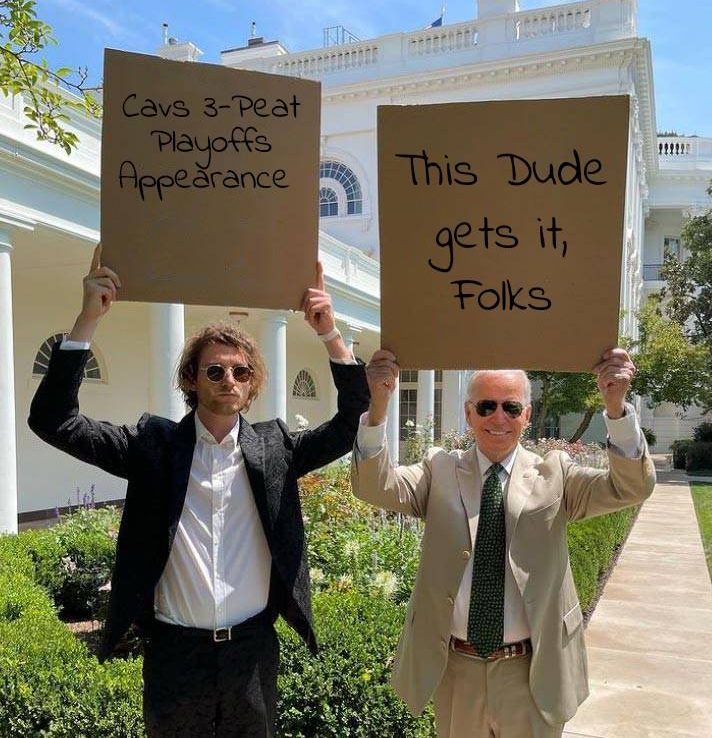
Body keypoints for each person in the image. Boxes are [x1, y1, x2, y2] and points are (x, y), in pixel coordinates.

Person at [28, 245, 370, 738]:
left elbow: (349, 425)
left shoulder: (275, 449)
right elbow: (52, 420)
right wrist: (87, 322)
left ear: (252, 385)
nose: (229, 379)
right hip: (175, 655)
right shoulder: (152, 446)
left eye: (241, 372)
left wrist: (330, 335)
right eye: (215, 370)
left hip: (251, 653)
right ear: (192, 377)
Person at [351, 349, 656, 738]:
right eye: (487, 406)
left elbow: (630, 487)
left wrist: (615, 408)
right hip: (457, 669)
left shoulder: (555, 473)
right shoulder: (438, 468)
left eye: (512, 407)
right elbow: (372, 486)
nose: (499, 417)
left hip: (533, 672)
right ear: (468, 413)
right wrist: (378, 408)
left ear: (527, 416)